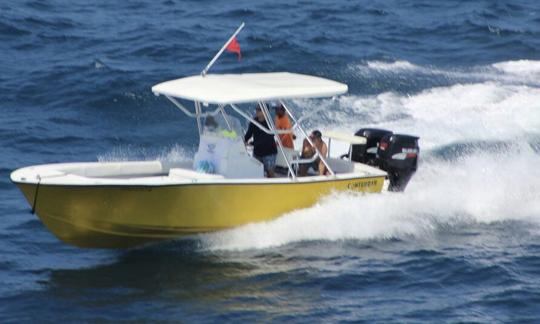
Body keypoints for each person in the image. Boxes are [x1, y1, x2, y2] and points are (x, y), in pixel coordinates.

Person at [244, 105, 277, 177]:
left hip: (269, 153)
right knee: (255, 172)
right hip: (257, 152)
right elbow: (248, 134)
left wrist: (252, 143)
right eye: (257, 109)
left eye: (259, 110)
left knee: (270, 173)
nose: (257, 111)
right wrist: (243, 142)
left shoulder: (270, 122)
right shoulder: (253, 122)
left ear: (265, 112)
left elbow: (267, 138)